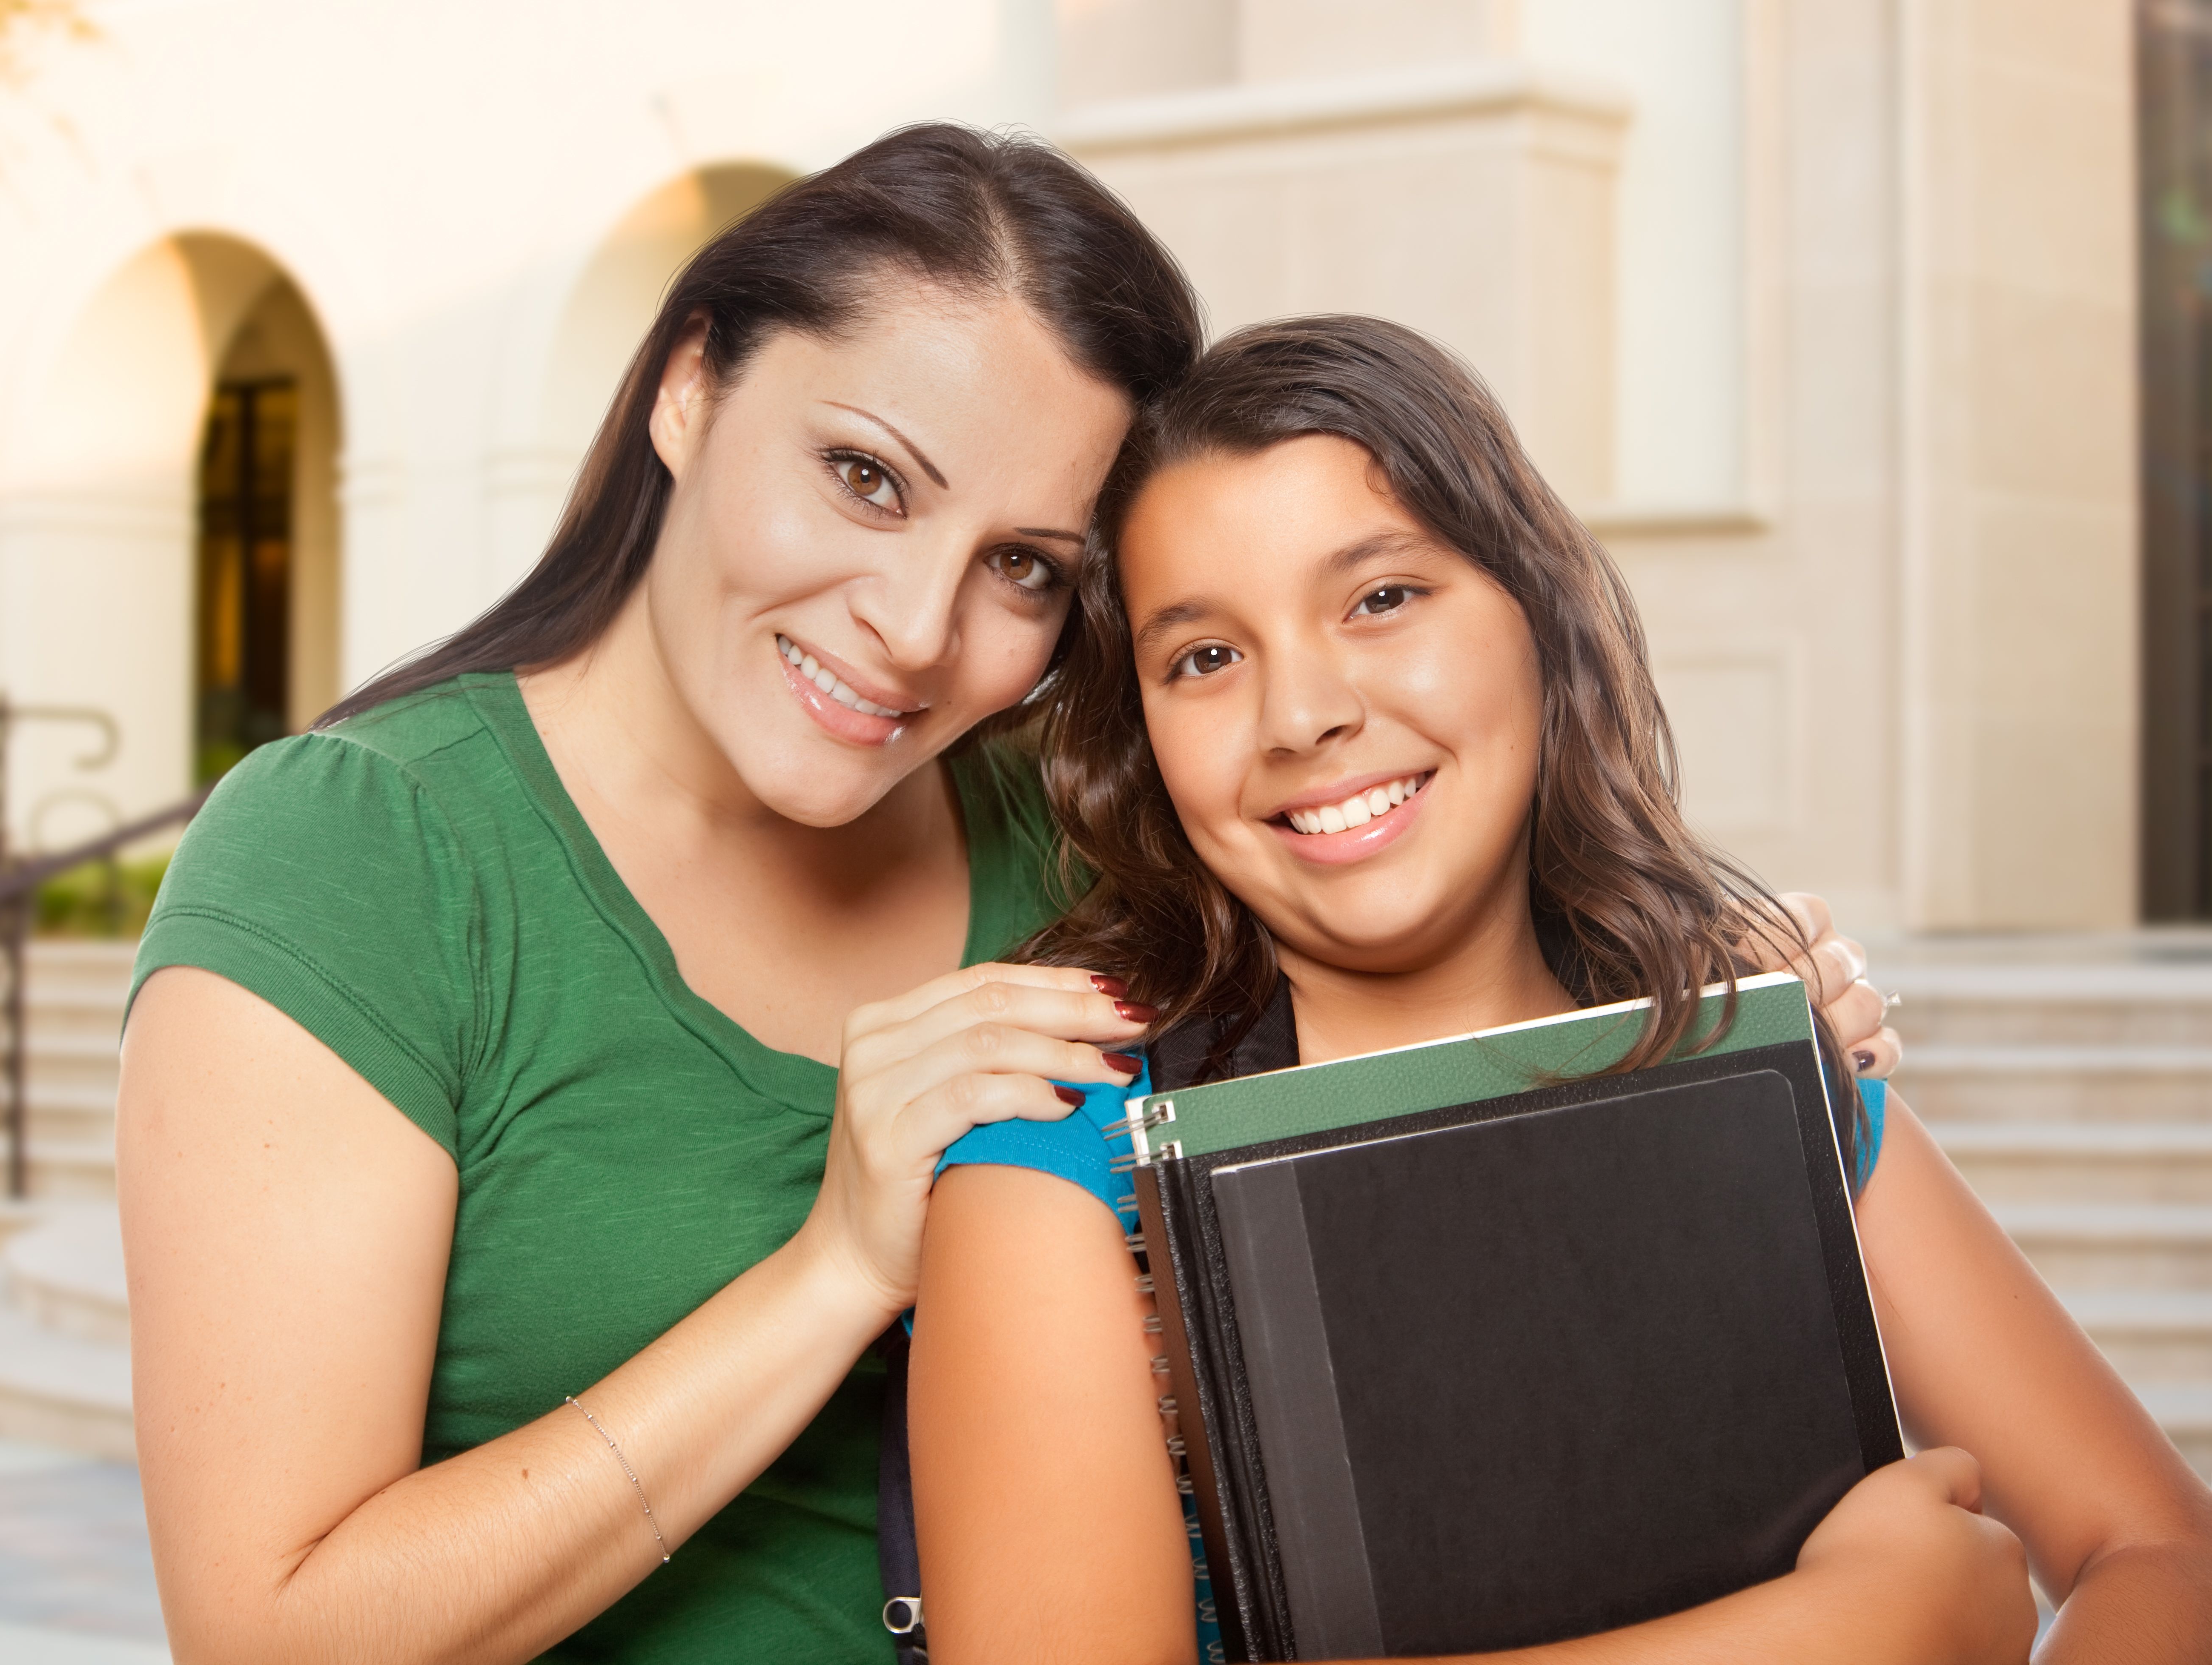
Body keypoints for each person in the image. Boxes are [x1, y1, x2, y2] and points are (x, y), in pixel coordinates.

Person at [116, 128, 1891, 1665]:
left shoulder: (1085, 847)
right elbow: (272, 1629)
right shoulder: (360, 856)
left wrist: (1710, 1007)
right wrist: (829, 1275)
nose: (908, 627)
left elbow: (1432, 1021)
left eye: (1022, 569)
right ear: (685, 387)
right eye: (863, 477)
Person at [911, 317, 2212, 1664]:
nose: (1300, 715)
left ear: (1540, 618)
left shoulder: (1760, 1064)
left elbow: (2162, 1552)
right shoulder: (1061, 1163)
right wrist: (1850, 1632)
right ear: (1145, 742)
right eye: (1205, 658)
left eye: (1381, 598)